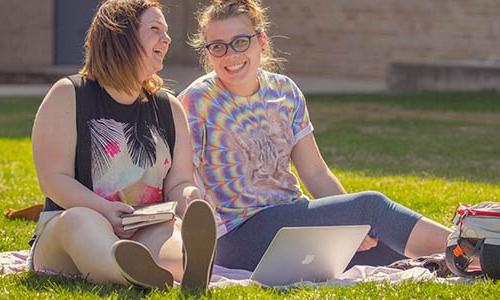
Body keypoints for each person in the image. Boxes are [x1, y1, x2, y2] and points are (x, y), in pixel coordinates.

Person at [178, 0, 453, 272]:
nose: (230, 55)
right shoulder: (196, 102)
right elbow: (181, 180)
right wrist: (358, 216)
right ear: (208, 52)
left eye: (240, 42)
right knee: (373, 207)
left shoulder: (285, 91)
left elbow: (316, 174)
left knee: (387, 241)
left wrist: (354, 226)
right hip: (238, 236)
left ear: (261, 41)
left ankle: (471, 259)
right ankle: (475, 249)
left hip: (293, 217)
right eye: (217, 47)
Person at [30, 0, 216, 290]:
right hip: (73, 228)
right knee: (80, 221)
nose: (166, 40)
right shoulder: (69, 95)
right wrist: (104, 209)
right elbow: (54, 180)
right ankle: (128, 272)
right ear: (120, 35)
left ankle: (184, 267)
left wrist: (189, 196)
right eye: (155, 29)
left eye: (166, 32)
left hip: (142, 227)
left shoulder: (169, 107)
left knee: (167, 232)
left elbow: (179, 181)